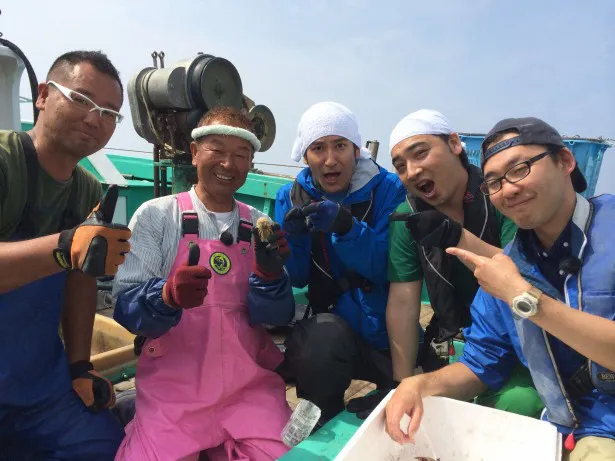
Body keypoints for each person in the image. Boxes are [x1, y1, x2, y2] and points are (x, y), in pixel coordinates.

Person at [385, 117, 615, 461]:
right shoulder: (509, 263)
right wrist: (417, 384)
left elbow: (519, 293)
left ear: (566, 161)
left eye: (520, 169)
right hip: (561, 423)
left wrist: (524, 299)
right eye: (494, 182)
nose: (508, 189)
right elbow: (481, 363)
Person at [112, 106, 295, 461]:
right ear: (195, 153)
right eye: (218, 150)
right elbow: (126, 307)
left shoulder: (261, 223)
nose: (229, 164)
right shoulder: (156, 216)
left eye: (241, 155)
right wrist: (166, 297)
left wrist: (271, 278)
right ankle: (139, 414)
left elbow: (275, 319)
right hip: (174, 395)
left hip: (249, 391)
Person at [0, 50, 130, 459]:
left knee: (105, 445)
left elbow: (80, 282)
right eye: (82, 99)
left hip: (38, 387)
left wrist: (80, 368)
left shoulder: (88, 193)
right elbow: (66, 258)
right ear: (42, 95)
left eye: (110, 113)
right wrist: (61, 248)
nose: (95, 119)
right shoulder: (5, 163)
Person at [384, 109, 543, 418]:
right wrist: (401, 386)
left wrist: (455, 237)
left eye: (421, 153)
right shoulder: (407, 218)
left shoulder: (501, 194)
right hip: (455, 339)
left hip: (518, 337)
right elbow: (403, 304)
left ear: (455, 143)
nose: (412, 171)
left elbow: (521, 280)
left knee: (518, 404)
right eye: (401, 166)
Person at [275, 101, 409, 423]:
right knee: (318, 345)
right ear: (305, 156)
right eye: (318, 148)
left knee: (421, 398)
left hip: (390, 331)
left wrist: (347, 228)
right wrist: (294, 239)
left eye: (340, 146)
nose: (330, 159)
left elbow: (387, 266)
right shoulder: (290, 197)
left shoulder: (388, 189)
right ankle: (322, 423)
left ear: (356, 151)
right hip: (332, 333)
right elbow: (295, 279)